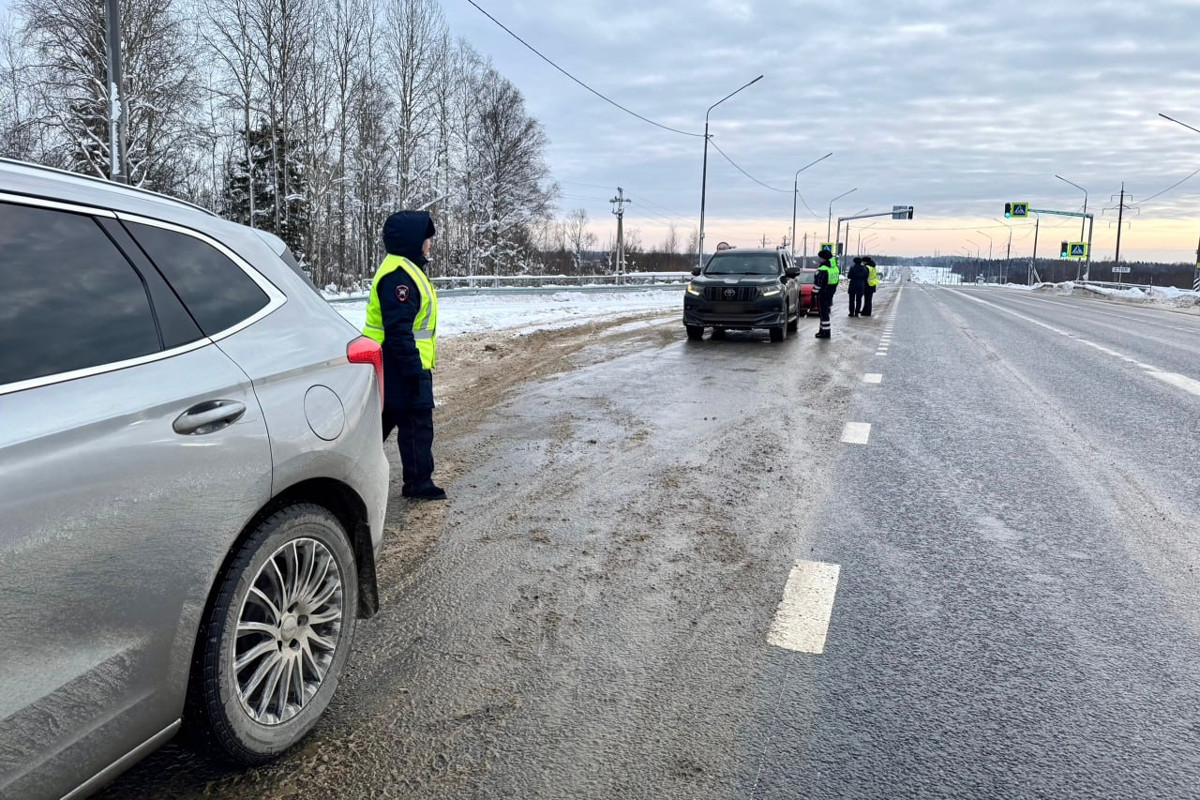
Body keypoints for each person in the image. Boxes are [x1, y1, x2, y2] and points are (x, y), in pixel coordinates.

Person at [362, 210, 445, 501]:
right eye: (426, 238)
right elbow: (398, 330)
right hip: (401, 365)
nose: (429, 244)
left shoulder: (405, 269)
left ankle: (354, 476)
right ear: (413, 240)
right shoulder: (400, 277)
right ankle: (418, 484)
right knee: (415, 425)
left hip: (396, 363)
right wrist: (412, 371)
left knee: (381, 425)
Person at [814, 248, 839, 338]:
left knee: (823, 313)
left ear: (824, 258)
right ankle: (822, 330)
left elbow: (818, 284)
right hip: (830, 293)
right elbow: (836, 281)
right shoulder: (835, 268)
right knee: (825, 312)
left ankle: (826, 332)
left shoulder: (823, 269)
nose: (819, 259)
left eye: (820, 257)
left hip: (822, 294)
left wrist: (814, 294)